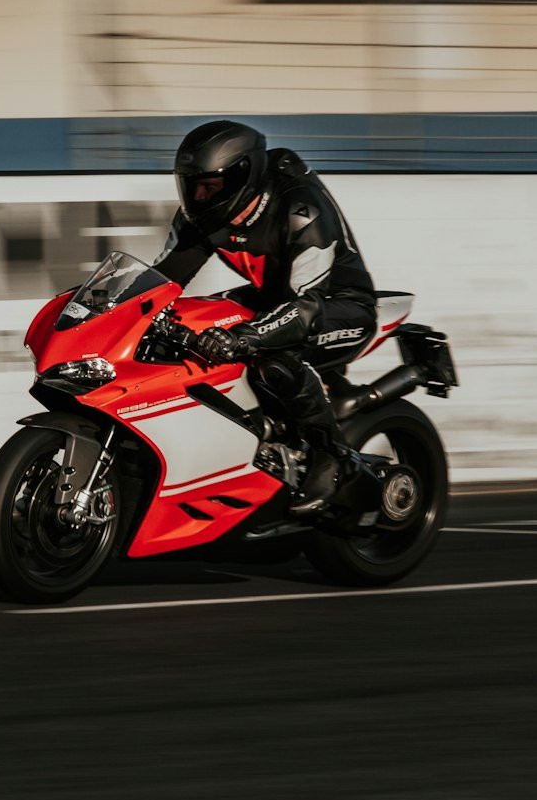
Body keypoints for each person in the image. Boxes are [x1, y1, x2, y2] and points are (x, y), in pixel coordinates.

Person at [155, 118, 377, 515]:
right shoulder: (201, 216)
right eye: (192, 186)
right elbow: (161, 282)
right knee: (193, 319)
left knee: (274, 356)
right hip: (272, 300)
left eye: (210, 186)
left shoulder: (301, 208)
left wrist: (245, 336)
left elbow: (304, 308)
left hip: (339, 306)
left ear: (243, 177)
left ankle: (332, 457)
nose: (199, 197)